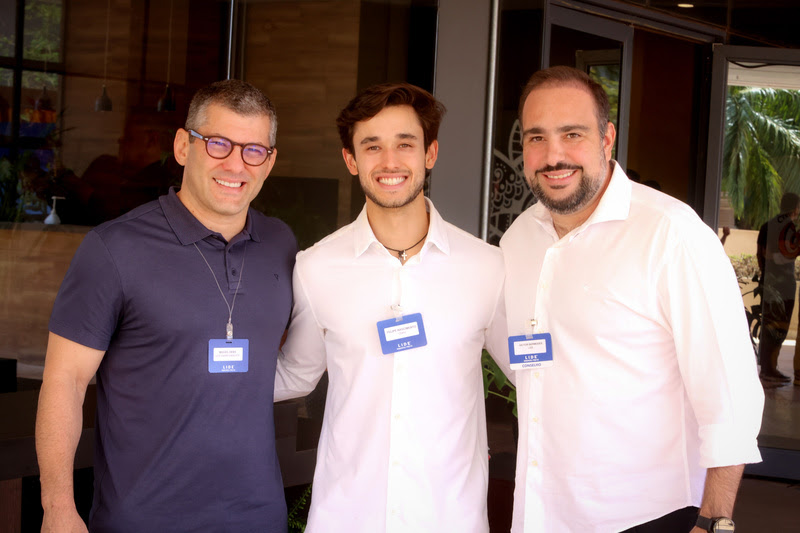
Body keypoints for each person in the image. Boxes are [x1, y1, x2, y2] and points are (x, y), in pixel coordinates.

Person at [500, 66, 764, 532]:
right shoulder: (519, 238)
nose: (553, 155)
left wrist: (714, 520)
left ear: (607, 139)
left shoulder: (670, 234)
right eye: (537, 137)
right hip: (542, 509)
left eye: (572, 134)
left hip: (646, 515)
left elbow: (730, 390)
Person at [35, 79, 296, 532]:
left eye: (254, 150)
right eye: (218, 143)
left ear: (269, 162)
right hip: (143, 519)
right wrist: (58, 508)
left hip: (258, 518)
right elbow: (65, 381)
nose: (236, 164)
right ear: (182, 146)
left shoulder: (281, 245)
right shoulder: (114, 249)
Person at [274, 82, 508, 532]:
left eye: (405, 144)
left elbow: (530, 375)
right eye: (372, 146)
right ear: (351, 160)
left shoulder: (486, 267)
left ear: (430, 153)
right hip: (347, 517)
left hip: (449, 517)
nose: (389, 162)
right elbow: (296, 375)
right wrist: (187, 372)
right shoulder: (316, 267)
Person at [756, 192, 800, 383]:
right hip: (784, 285)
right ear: (795, 209)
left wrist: (766, 273)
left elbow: (760, 254)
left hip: (769, 282)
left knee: (768, 325)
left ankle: (768, 368)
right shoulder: (790, 227)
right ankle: (770, 369)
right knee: (779, 327)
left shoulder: (767, 225)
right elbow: (789, 254)